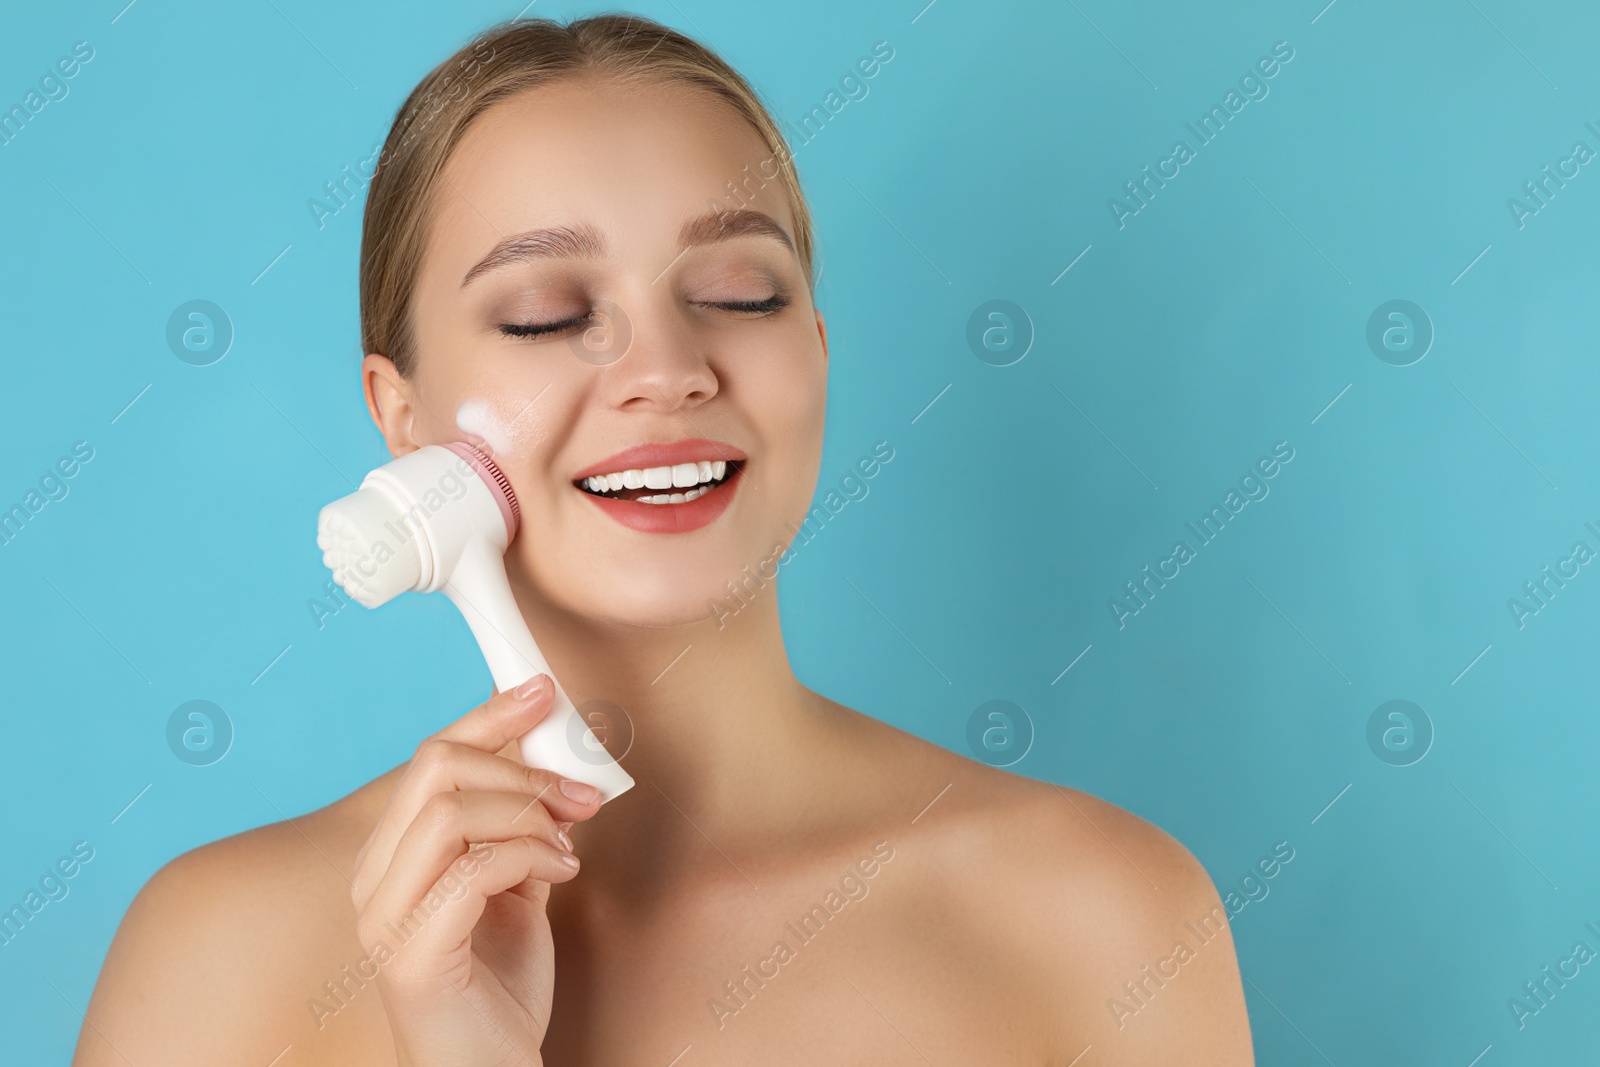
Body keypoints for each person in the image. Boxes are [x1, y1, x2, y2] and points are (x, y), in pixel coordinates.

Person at [73, 14, 1253, 1065]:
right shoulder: (214, 961)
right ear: (401, 415)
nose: (665, 370)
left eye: (742, 293)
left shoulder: (1102, 920)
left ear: (818, 358)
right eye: (546, 314)